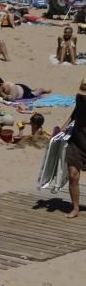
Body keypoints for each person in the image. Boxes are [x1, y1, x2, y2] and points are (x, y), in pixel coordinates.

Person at [61, 77, 86, 218]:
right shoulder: (80, 97)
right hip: (77, 140)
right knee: (73, 174)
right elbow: (76, 112)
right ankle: (75, 208)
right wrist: (65, 125)